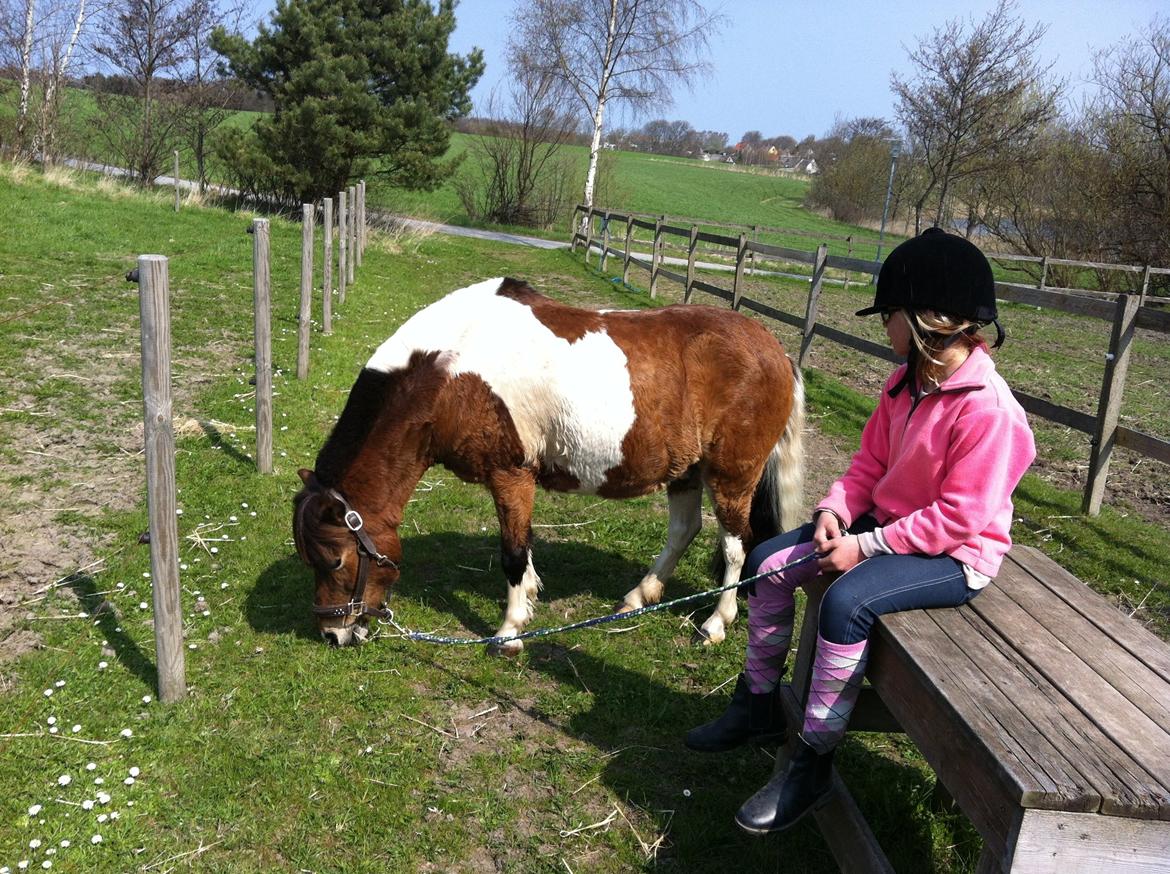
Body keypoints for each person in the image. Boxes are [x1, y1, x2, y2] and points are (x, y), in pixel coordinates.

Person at [684, 227, 1036, 835]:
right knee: (768, 566)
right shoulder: (904, 385)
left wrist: (865, 547)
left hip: (954, 554)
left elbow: (961, 516)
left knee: (847, 603)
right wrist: (834, 511)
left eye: (890, 315)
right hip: (887, 527)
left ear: (929, 320)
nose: (884, 328)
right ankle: (758, 704)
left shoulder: (988, 410)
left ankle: (812, 760)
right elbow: (868, 466)